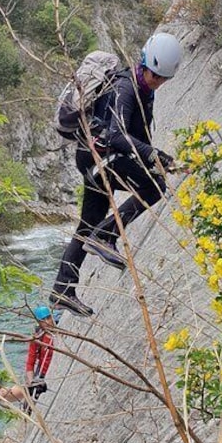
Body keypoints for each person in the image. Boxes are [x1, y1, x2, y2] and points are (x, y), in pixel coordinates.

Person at [50, 32, 183, 317]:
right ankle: (105, 236)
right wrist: (152, 155)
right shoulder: (125, 86)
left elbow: (129, 136)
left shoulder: (142, 91)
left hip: (94, 159)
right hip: (101, 158)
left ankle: (63, 290)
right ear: (144, 63)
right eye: (154, 75)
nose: (156, 82)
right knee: (154, 188)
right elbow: (116, 134)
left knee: (87, 226)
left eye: (162, 79)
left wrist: (152, 157)